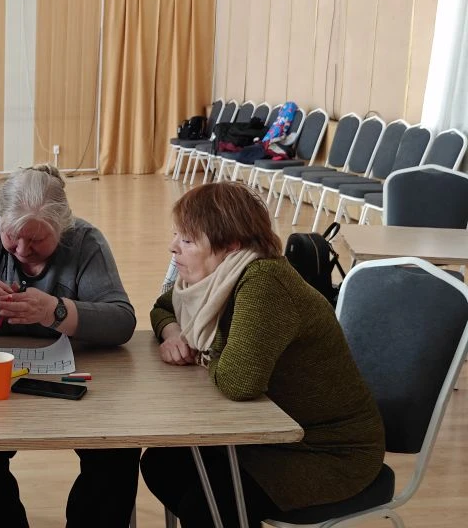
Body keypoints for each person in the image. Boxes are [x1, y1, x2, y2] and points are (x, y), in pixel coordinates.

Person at [141, 182, 385, 527]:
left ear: (231, 245)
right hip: (272, 434)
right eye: (176, 236)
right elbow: (164, 307)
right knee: (162, 465)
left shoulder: (265, 282)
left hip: (327, 449)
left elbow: (238, 381)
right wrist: (173, 331)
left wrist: (202, 351)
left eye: (187, 240)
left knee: (209, 505)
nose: (172, 248)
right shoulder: (221, 277)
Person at [0, 165, 140, 527]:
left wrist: (57, 311)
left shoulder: (85, 241)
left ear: (62, 227)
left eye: (38, 240)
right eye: (13, 236)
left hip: (73, 378)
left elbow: (122, 321)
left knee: (117, 453)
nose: (23, 250)